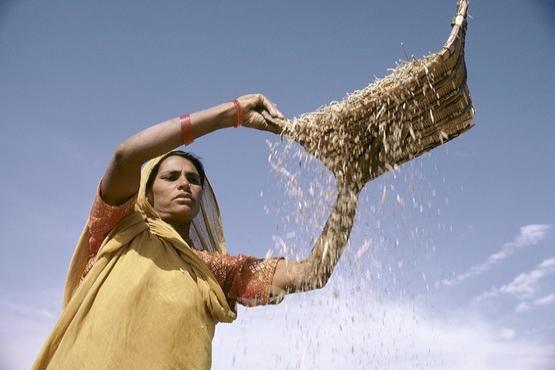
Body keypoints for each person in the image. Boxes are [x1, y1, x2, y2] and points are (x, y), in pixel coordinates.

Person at [32, 94, 359, 369]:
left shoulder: (212, 271)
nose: (184, 184)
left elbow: (313, 273)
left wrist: (350, 187)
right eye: (170, 177)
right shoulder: (120, 229)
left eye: (193, 179)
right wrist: (232, 114)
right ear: (147, 191)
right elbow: (124, 157)